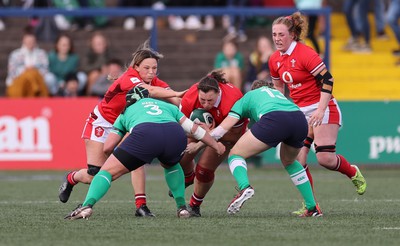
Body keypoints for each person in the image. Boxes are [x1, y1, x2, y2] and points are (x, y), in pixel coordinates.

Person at [58, 40, 186, 217]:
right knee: (95, 175)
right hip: (102, 123)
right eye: (147, 68)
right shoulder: (129, 78)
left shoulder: (153, 79)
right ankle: (72, 178)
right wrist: (178, 93)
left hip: (127, 123)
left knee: (137, 160)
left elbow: (177, 101)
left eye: (154, 68)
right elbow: (153, 91)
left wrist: (189, 106)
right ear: (136, 66)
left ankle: (141, 206)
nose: (151, 72)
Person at [64, 86, 225, 220]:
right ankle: (182, 208)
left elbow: (107, 147)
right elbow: (194, 130)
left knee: (106, 172)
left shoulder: (126, 112)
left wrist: (119, 154)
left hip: (145, 135)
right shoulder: (167, 106)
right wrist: (216, 146)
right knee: (171, 164)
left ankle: (87, 206)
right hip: (174, 134)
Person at [268, 12, 367, 214]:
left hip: (323, 106)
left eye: (281, 34)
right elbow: (278, 90)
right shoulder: (274, 60)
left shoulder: (305, 53)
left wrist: (321, 110)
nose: (277, 38)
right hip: (300, 113)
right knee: (298, 161)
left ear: (292, 35)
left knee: (325, 159)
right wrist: (280, 113)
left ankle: (352, 172)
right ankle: (312, 207)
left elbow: (328, 80)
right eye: (274, 34)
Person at [194, 79, 321, 217]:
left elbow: (221, 130)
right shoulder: (277, 94)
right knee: (290, 162)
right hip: (299, 119)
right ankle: (312, 207)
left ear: (253, 89)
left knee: (236, 154)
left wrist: (199, 143)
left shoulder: (248, 96)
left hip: (274, 119)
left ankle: (244, 187)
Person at [176, 69, 247, 217]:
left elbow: (234, 136)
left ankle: (194, 206)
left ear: (218, 93)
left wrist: (210, 134)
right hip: (199, 129)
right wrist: (201, 133)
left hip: (226, 135)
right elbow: (182, 126)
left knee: (204, 171)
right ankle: (188, 176)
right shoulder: (190, 98)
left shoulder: (233, 100)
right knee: (178, 156)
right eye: (202, 100)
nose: (206, 104)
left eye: (210, 101)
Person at [6, 26, 55, 98]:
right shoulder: (15, 54)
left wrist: (32, 71)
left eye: (32, 40)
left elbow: (45, 70)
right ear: (23, 40)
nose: (30, 42)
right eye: (28, 40)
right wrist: (26, 71)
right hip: (20, 82)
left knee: (36, 74)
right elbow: (12, 73)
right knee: (28, 75)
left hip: (38, 81)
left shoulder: (42, 54)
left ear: (35, 40)